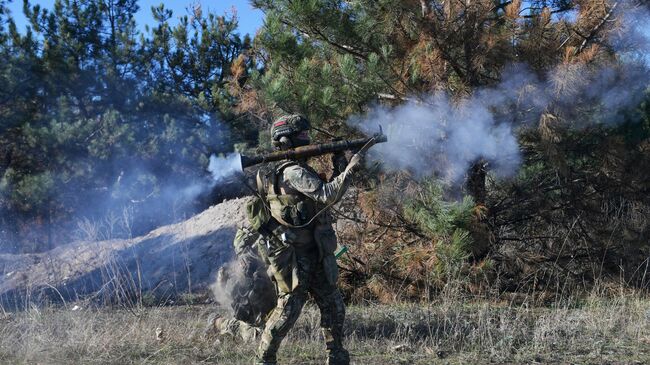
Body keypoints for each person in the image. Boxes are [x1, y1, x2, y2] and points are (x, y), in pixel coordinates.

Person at [252, 114, 363, 365]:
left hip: (315, 252)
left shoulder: (287, 171)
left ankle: (336, 356)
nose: (307, 140)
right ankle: (264, 359)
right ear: (285, 140)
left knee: (334, 307)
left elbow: (319, 199)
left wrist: (339, 165)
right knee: (286, 314)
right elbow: (328, 195)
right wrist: (353, 165)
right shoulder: (293, 172)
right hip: (296, 257)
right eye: (301, 137)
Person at [206, 227, 276, 342]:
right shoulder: (249, 272)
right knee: (245, 330)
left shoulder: (265, 266)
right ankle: (216, 321)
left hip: (269, 318)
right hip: (256, 324)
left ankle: (217, 321)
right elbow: (238, 305)